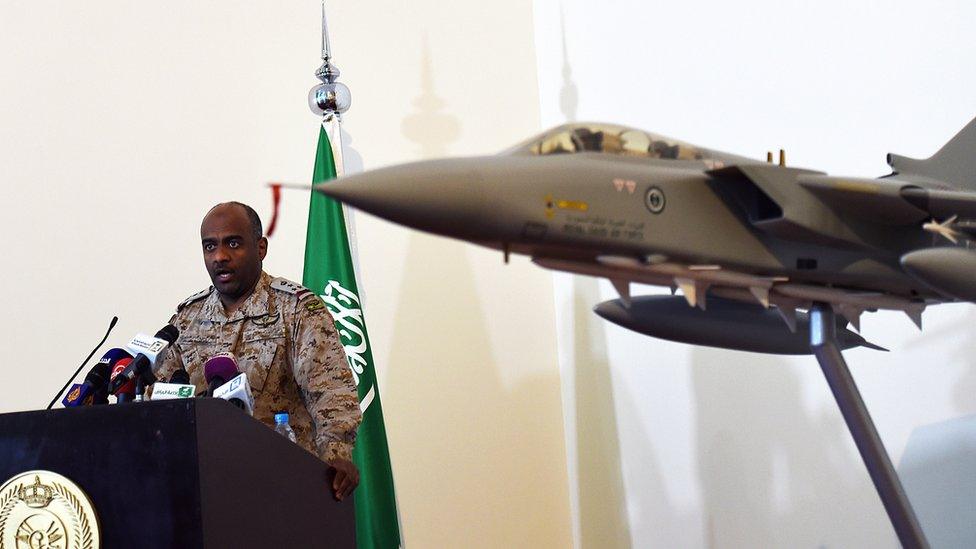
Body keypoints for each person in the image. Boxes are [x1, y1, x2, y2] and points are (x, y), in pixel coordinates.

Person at [154, 201, 362, 500]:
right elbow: (159, 394)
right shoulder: (187, 318)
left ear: (261, 248)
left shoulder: (296, 309)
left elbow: (331, 391)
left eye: (233, 244)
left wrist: (336, 454)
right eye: (210, 247)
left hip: (282, 487)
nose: (220, 257)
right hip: (205, 487)